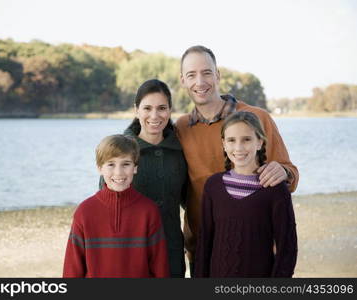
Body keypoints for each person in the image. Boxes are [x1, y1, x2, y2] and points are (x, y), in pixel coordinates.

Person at [175, 45, 299, 275]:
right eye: (191, 75)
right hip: (202, 249)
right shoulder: (181, 128)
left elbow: (289, 174)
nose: (200, 81)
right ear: (182, 80)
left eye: (207, 72)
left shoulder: (257, 117)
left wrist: (284, 172)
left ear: (218, 75)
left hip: (254, 252)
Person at [100, 79, 187, 277]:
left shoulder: (181, 150)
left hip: (170, 253)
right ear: (136, 110)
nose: (154, 116)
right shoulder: (120, 151)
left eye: (162, 108)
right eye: (147, 108)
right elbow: (105, 206)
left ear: (170, 110)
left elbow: (191, 201)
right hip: (128, 256)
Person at [195, 111, 298, 277]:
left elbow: (287, 248)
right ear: (223, 144)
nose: (238, 148)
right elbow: (204, 243)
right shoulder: (213, 186)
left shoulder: (275, 189)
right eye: (231, 140)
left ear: (260, 142)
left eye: (247, 139)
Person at [63, 134, 170, 278]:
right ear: (100, 168)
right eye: (111, 164)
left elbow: (160, 267)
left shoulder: (148, 211)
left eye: (126, 164)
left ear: (135, 168)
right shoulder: (84, 211)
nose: (118, 172)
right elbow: (72, 269)